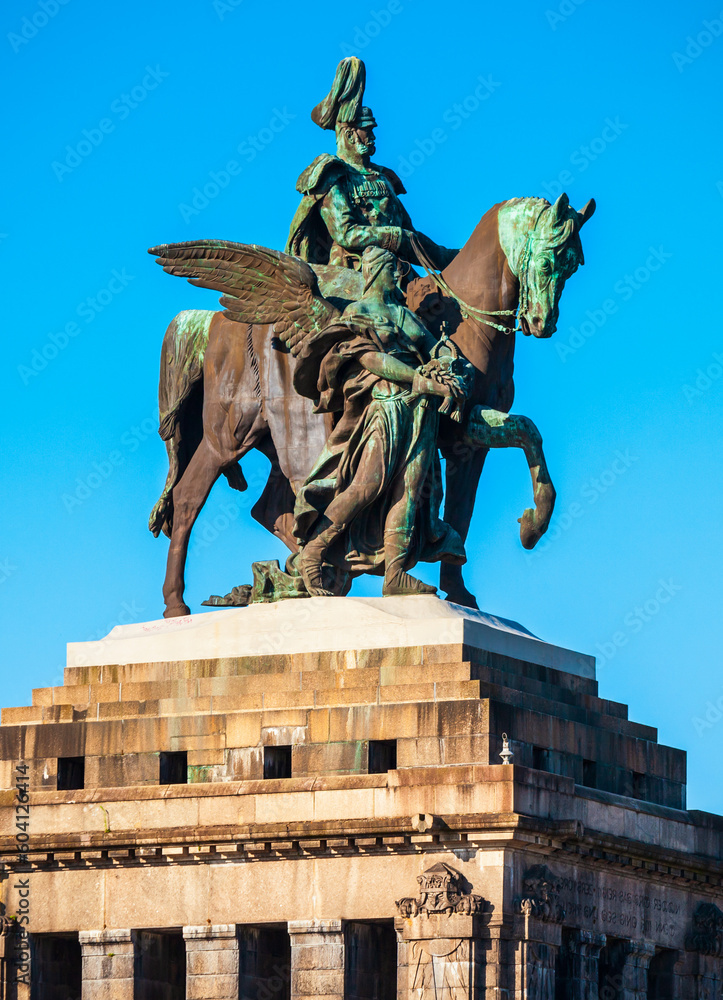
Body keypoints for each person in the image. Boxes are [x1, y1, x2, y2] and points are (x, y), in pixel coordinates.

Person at [292, 246, 472, 597]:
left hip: (420, 412)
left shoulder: (405, 316)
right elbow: (370, 358)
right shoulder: (359, 313)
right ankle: (312, 553)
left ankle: (395, 573)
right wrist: (420, 380)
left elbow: (434, 347)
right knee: (366, 486)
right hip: (386, 406)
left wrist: (449, 364)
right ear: (377, 272)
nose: (400, 279)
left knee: (411, 489)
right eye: (394, 271)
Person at [287, 57, 457, 271]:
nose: (373, 136)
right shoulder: (334, 176)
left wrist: (451, 258)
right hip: (354, 273)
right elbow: (346, 233)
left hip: (397, 270)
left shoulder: (383, 177)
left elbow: (409, 234)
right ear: (349, 135)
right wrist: (395, 236)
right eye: (367, 131)